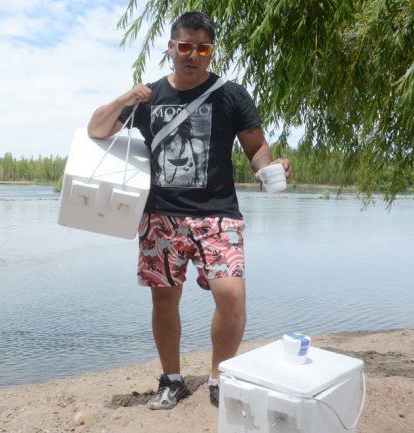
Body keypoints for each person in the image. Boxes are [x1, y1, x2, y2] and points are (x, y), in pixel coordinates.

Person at [87, 12, 291, 410]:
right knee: (164, 301)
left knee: (231, 296)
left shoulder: (231, 95)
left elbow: (256, 148)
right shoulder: (149, 97)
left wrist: (272, 166)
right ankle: (172, 379)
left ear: (210, 51)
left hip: (218, 214)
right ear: (171, 47)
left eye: (203, 48)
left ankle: (220, 377)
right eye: (185, 46)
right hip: (161, 214)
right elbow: (97, 128)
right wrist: (127, 97)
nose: (193, 55)